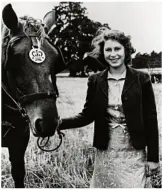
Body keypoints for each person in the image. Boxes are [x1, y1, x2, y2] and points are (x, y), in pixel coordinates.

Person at [59, 27, 159, 188]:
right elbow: (87, 115)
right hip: (106, 154)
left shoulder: (142, 79)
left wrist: (153, 158)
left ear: (126, 51)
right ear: (103, 53)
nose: (113, 54)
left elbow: (150, 119)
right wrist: (58, 123)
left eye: (117, 49)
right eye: (108, 50)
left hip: (134, 154)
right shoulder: (95, 80)